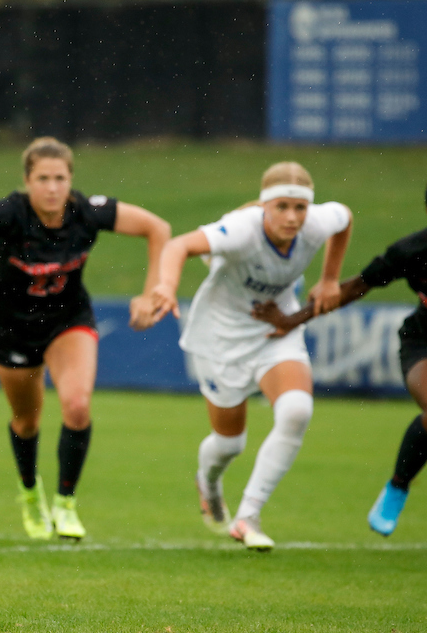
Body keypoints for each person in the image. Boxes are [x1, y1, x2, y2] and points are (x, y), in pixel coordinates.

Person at [252, 171, 427, 557]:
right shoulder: (414, 250)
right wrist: (291, 319)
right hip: (425, 344)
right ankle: (398, 486)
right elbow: (356, 286)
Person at [0, 137, 170, 541]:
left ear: (71, 180)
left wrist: (151, 289)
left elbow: (157, 228)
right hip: (13, 326)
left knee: (77, 405)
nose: (52, 187)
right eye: (42, 178)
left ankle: (66, 503)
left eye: (60, 178)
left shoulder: (88, 212)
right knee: (27, 420)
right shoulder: (10, 212)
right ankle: (29, 492)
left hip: (68, 320)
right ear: (27, 181)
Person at [149, 162, 352, 551]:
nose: (292, 217)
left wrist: (329, 278)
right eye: (281, 207)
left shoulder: (316, 222)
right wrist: (167, 286)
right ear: (264, 205)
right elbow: (179, 246)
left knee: (296, 411)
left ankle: (248, 516)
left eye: (300, 207)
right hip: (221, 339)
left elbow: (345, 219)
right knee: (229, 444)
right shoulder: (240, 230)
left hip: (275, 334)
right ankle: (208, 483)